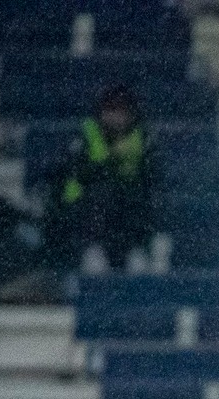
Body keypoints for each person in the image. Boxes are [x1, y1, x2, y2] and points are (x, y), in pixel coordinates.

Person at [44, 85, 154, 274]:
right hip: (85, 207)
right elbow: (75, 173)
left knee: (137, 200)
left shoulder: (143, 138)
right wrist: (111, 160)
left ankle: (137, 251)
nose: (115, 117)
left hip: (128, 210)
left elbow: (152, 176)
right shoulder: (85, 135)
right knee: (102, 194)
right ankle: (92, 252)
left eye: (121, 111)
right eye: (110, 110)